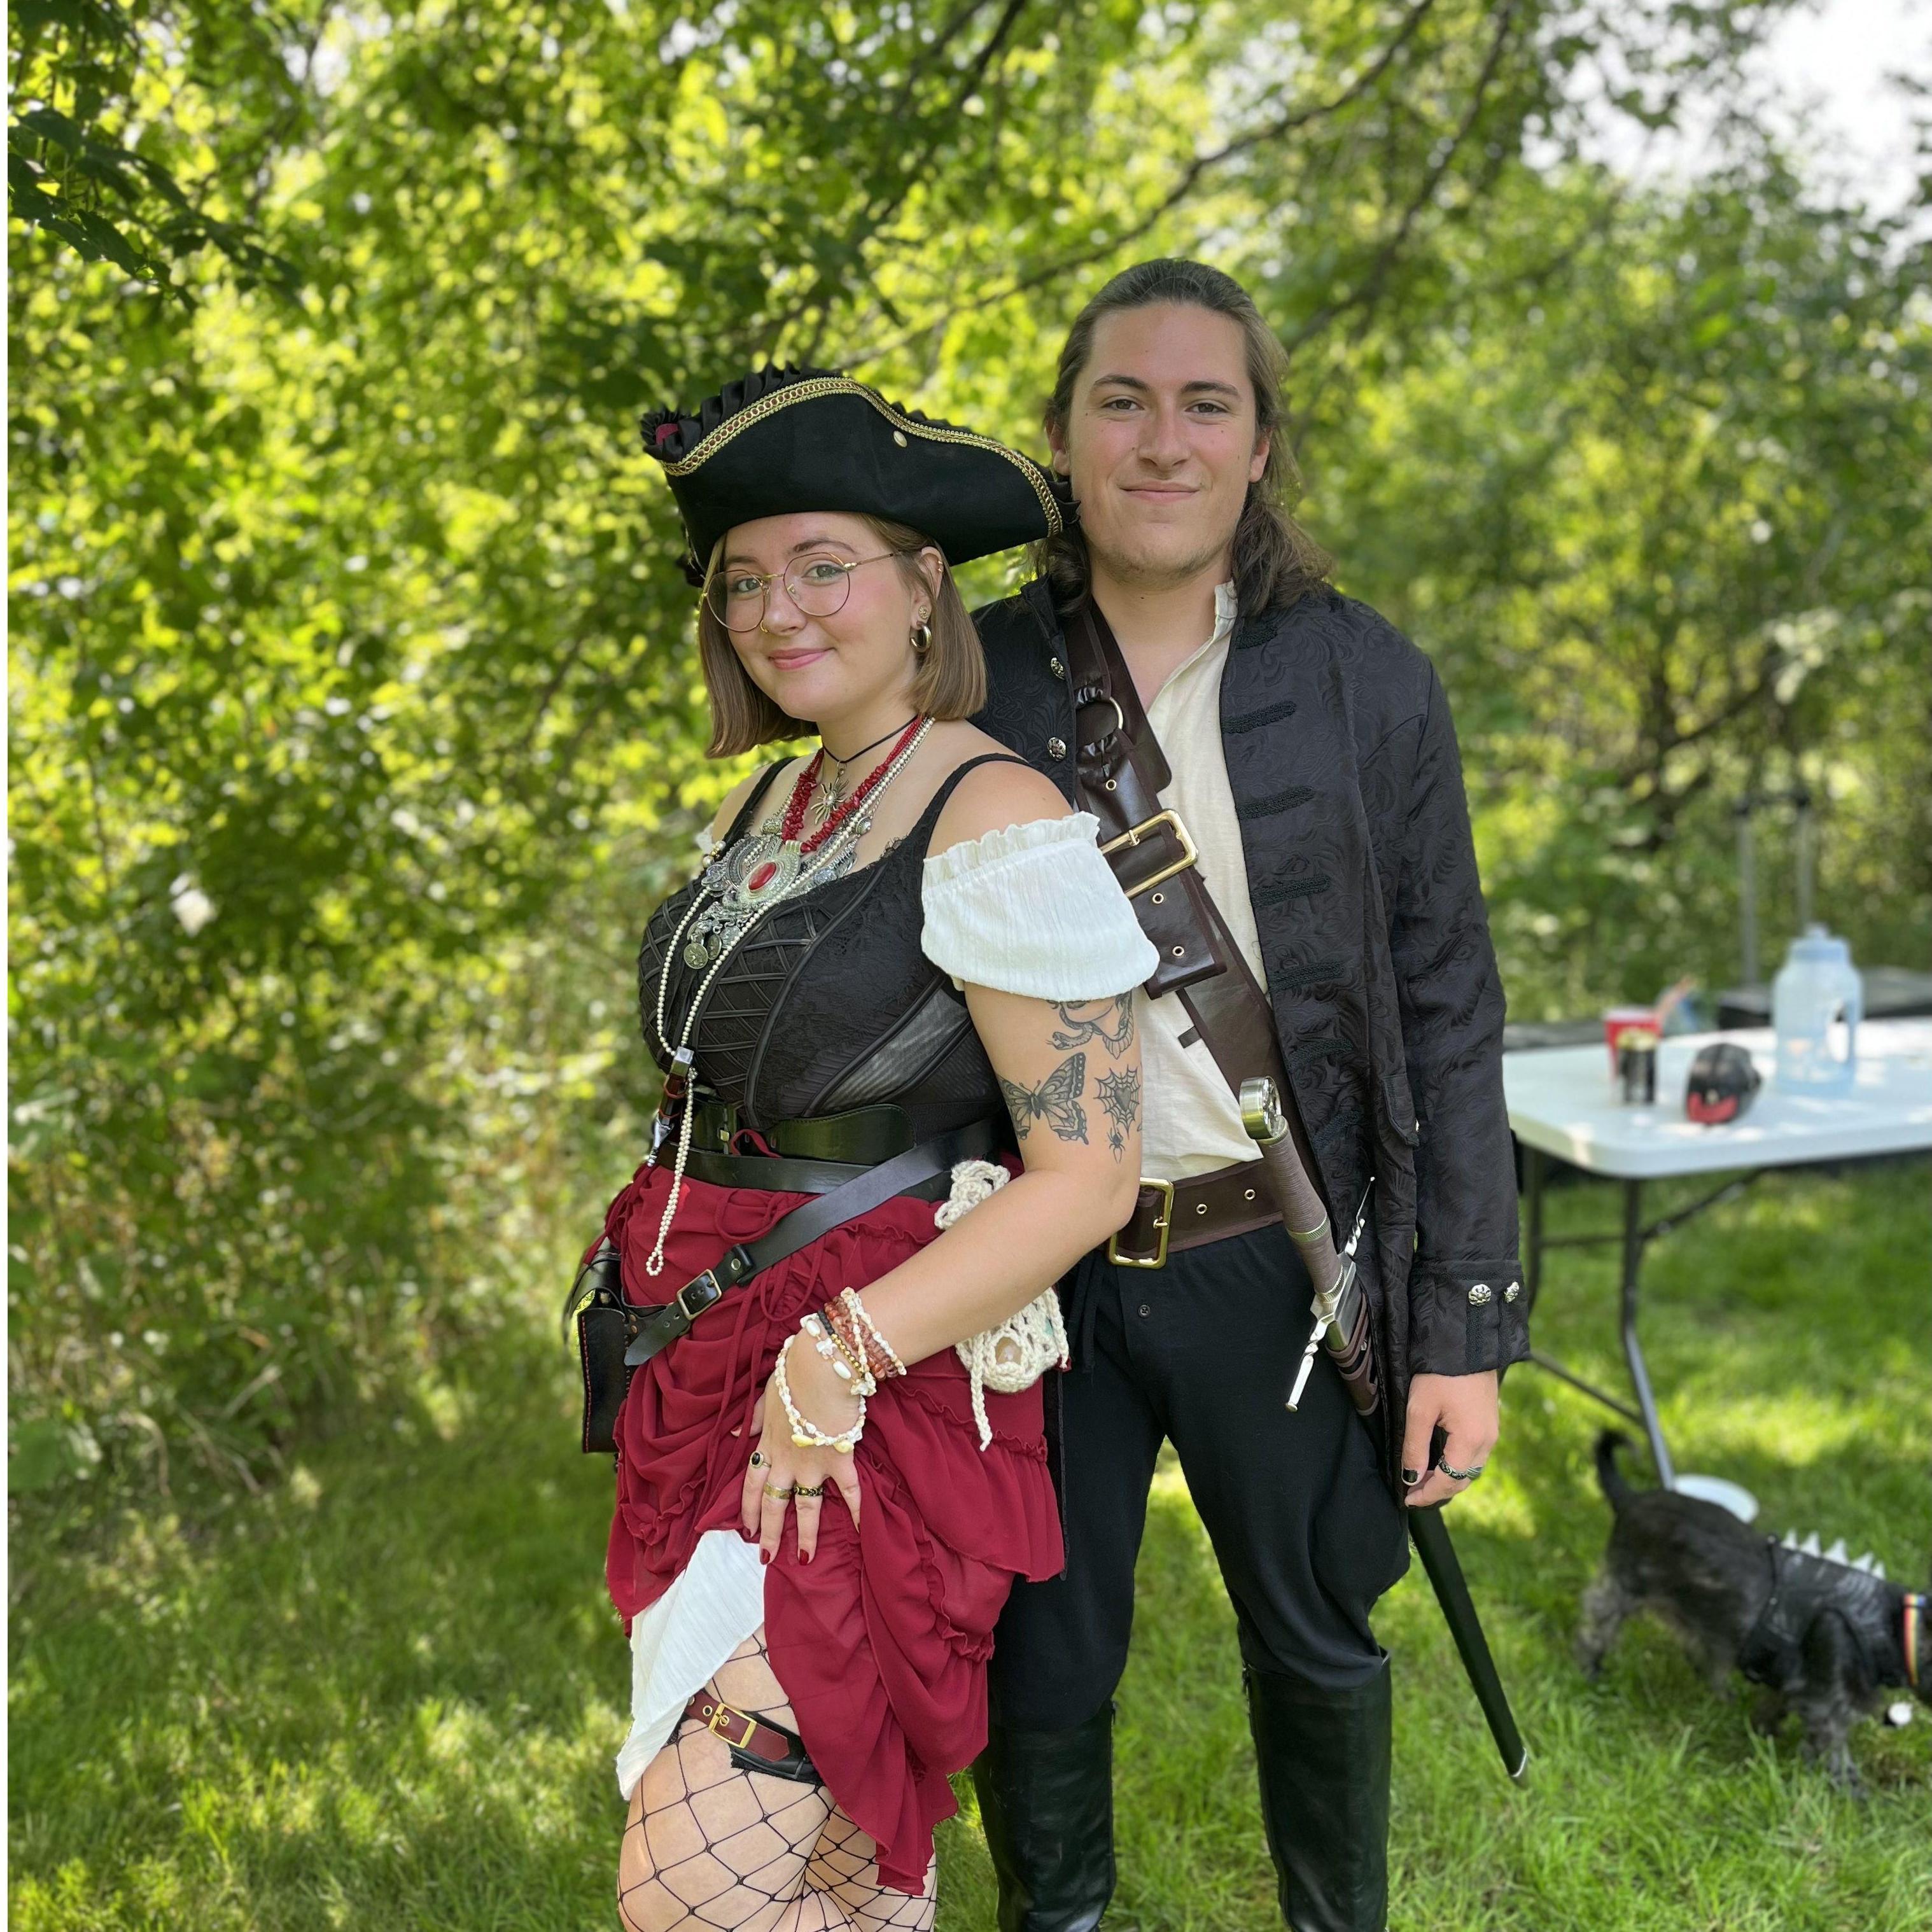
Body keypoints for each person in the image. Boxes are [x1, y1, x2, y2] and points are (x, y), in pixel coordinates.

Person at [967, 260, 1529, 1931]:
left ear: (1259, 442)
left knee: (1314, 1627)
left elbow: (1447, 1011)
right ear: (1063, 439)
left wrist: (1461, 1325)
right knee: (1035, 1645)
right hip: (1023, 1265)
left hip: (1278, 1258)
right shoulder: (961, 680)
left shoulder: (1367, 683)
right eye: (1119, 400)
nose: (1162, 437)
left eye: (1203, 401)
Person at [601, 366, 1156, 1932]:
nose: (776, 609)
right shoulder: (780, 796)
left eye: (821, 565)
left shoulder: (992, 812)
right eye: (743, 581)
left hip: (872, 1373)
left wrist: (835, 1361)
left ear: (924, 590)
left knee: (692, 1892)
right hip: (713, 1341)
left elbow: (1088, 1176)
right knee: (840, 1866)